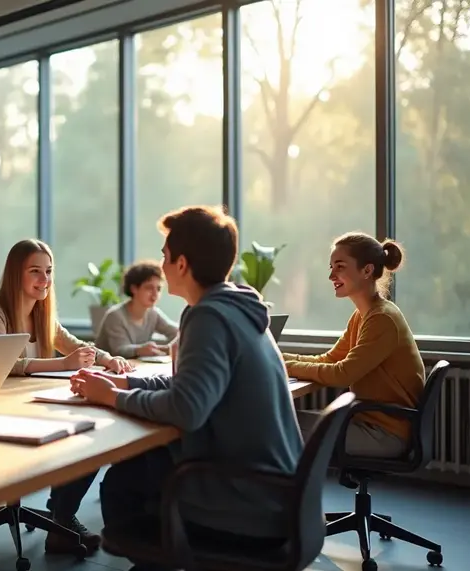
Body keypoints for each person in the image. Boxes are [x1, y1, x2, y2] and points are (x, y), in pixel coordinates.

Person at [70, 206, 302, 571]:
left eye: (165, 256)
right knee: (141, 467)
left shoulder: (209, 317)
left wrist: (112, 397)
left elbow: (186, 409)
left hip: (248, 505)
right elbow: (191, 384)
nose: (161, 267)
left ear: (182, 264)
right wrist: (125, 381)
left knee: (123, 482)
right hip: (277, 495)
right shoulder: (235, 308)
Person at [0, 238, 132, 555]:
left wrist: (108, 359)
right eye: (35, 271)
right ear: (15, 274)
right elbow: (0, 365)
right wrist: (62, 364)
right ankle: (62, 519)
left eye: (48, 271)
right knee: (81, 434)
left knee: (92, 434)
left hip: (33, 408)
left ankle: (61, 517)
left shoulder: (42, 314)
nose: (44, 279)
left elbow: (76, 346)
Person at [282, 232, 423, 458]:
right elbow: (330, 359)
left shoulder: (382, 319)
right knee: (278, 421)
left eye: (339, 267)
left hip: (384, 434)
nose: (331, 276)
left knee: (275, 425)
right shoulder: (363, 315)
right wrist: (280, 358)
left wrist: (285, 367)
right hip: (365, 422)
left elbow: (342, 374)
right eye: (331, 267)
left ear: (367, 271)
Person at [96, 260, 179, 358]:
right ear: (133, 289)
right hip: (105, 366)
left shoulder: (153, 314)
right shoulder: (115, 316)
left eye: (158, 289)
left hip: (135, 365)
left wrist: (169, 348)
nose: (155, 294)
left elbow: (177, 332)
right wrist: (140, 350)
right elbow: (119, 349)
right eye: (149, 288)